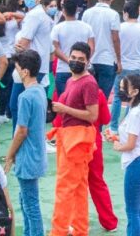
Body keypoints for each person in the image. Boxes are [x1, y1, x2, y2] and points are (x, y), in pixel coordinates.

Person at [49, 41, 99, 236]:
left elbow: (92, 115)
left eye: (81, 59)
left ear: (87, 61)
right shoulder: (71, 80)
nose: (76, 61)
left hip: (77, 139)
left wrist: (64, 109)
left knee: (65, 188)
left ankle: (59, 231)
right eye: (73, 58)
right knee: (77, 187)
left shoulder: (88, 83)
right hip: (69, 137)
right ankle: (79, 230)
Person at [4, 50, 48, 236]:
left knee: (30, 205)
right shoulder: (39, 91)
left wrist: (10, 154)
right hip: (36, 154)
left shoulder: (25, 97)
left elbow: (21, 130)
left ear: (25, 72)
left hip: (27, 157)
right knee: (26, 201)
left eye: (17, 68)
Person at [111, 72, 140, 236]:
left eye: (123, 88)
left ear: (134, 92)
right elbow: (131, 137)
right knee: (137, 209)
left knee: (132, 211)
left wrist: (118, 146)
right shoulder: (136, 109)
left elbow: (130, 144)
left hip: (136, 163)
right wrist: (115, 138)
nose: (120, 91)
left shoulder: (135, 113)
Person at [11, 0, 52, 132]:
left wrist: (16, 55)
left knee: (18, 106)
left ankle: (17, 144)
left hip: (28, 67)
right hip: (35, 66)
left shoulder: (35, 15)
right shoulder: (38, 14)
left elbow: (23, 42)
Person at [110, 1, 140, 132]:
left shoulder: (120, 28)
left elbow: (114, 44)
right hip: (136, 67)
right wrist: (139, 59)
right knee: (132, 97)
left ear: (125, 13)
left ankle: (114, 126)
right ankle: (127, 124)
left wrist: (118, 60)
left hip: (122, 66)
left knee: (117, 96)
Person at [82, 0, 121, 98]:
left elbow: (84, 36)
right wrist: (118, 60)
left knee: (88, 96)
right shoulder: (113, 15)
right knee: (102, 97)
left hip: (89, 59)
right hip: (107, 60)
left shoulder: (87, 13)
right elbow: (115, 39)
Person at [51, 0, 95, 95]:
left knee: (64, 100)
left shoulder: (57, 28)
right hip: (82, 69)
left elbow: (55, 48)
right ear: (76, 10)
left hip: (63, 69)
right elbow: (91, 47)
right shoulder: (87, 27)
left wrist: (69, 60)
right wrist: (83, 61)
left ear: (63, 10)